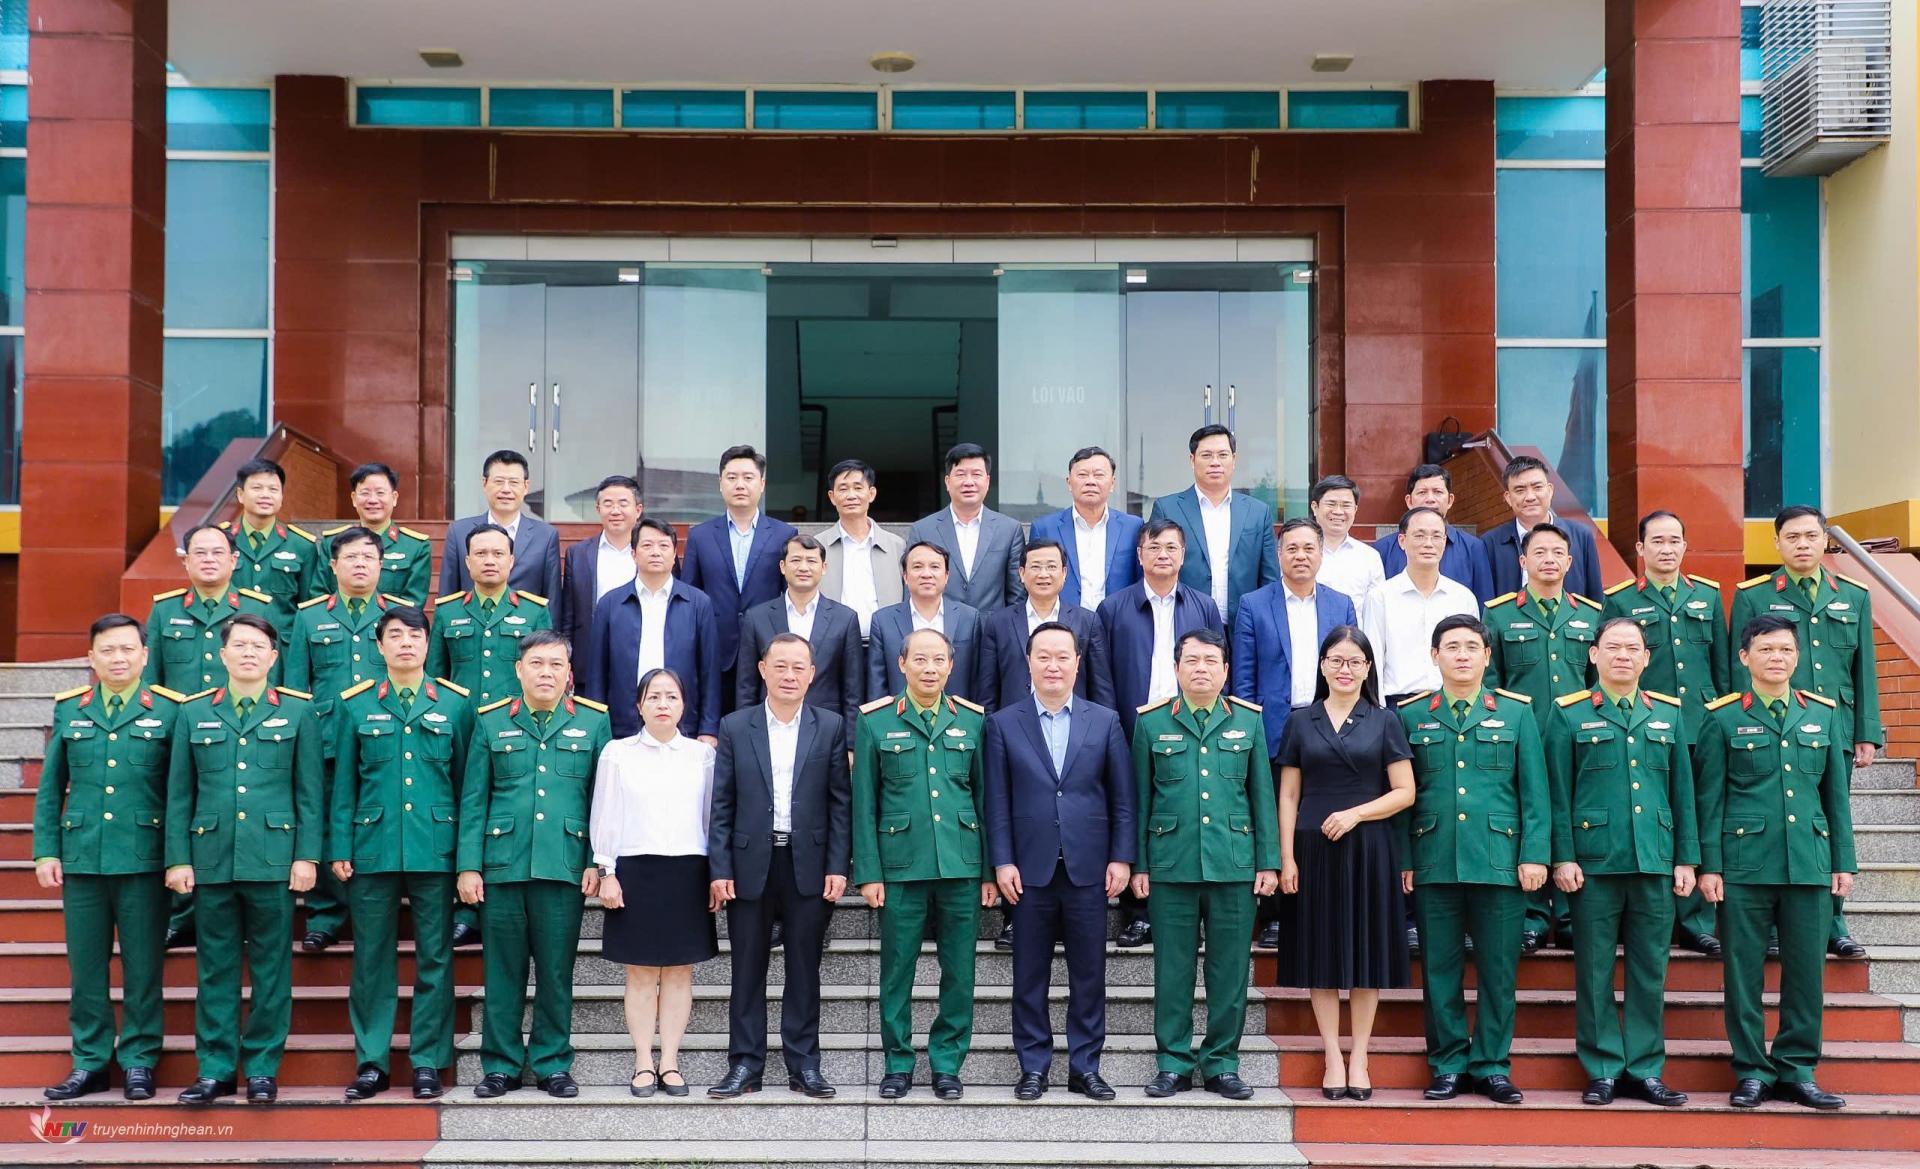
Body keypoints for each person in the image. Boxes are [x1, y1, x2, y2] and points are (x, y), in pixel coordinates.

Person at [1697, 615, 1857, 1111]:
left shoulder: (1822, 715)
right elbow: (1710, 799)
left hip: (1808, 863)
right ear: (1744, 658)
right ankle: (1751, 1070)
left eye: (1786, 650)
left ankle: (1797, 1069)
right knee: (1743, 973)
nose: (1777, 659)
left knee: (1807, 972)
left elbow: (1836, 796)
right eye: (1766, 650)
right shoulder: (1722, 717)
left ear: (1798, 656)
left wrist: (1842, 861)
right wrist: (1710, 867)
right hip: (1744, 867)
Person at [164, 614, 322, 1105]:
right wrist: (177, 859)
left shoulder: (298, 713)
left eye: (259, 646)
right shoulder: (193, 713)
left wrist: (307, 857)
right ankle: (214, 1069)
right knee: (215, 969)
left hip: (274, 860)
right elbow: (178, 794)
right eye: (240, 645)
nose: (250, 653)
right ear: (222, 653)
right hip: (211, 859)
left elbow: (310, 793)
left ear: (274, 657)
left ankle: (261, 1069)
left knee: (272, 969)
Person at [1397, 615, 1549, 1105]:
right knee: (1439, 968)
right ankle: (1446, 1064)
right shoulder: (1412, 715)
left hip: (1500, 861)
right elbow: (1403, 796)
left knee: (1498, 970)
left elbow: (1534, 793)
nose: (1462, 655)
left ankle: (1491, 1065)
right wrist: (1405, 858)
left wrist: (1534, 856)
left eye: (1471, 647)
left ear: (1488, 656)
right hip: (1434, 858)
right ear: (1434, 656)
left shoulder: (1516, 713)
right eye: (1451, 647)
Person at [1544, 618, 1696, 1108]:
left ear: (1647, 658)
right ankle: (1603, 1068)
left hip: (1654, 860)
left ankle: (1646, 1068)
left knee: (1651, 971)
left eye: (1633, 648)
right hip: (1593, 864)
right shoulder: (1567, 714)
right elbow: (1556, 795)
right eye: (1613, 647)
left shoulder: (1668, 715)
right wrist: (1562, 856)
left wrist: (1686, 859)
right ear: (1593, 655)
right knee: (1593, 971)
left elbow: (1683, 795)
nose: (1623, 656)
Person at [35, 614, 184, 1102]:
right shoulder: (70, 709)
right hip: (82, 858)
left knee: (143, 969)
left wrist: (179, 857)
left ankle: (140, 1060)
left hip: (144, 859)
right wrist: (45, 850)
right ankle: (90, 1062)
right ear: (91, 658)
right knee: (87, 969)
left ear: (145, 655)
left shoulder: (169, 711)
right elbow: (51, 786)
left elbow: (181, 792)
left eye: (127, 649)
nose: (118, 658)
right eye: (107, 650)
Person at [458, 631, 612, 1100]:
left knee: (555, 972)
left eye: (556, 665)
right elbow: (473, 799)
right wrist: (469, 866)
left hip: (563, 867)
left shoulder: (592, 722)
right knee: (501, 973)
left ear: (569, 674)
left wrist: (595, 862)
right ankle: (500, 1065)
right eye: (537, 664)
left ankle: (551, 1062)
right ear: (519, 669)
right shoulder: (489, 723)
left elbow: (600, 801)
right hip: (501, 867)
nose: (546, 672)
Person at [984, 621, 1134, 1101]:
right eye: (1043, 656)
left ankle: (1085, 1066)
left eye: (1062, 656)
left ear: (1077, 662)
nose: (1053, 665)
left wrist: (1122, 858)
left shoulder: (1104, 720)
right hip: (1028, 872)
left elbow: (1122, 799)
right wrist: (1002, 861)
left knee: (1089, 974)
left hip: (1089, 868)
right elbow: (997, 802)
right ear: (1028, 662)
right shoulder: (1003, 723)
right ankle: (1033, 1066)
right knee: (1029, 973)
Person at [330, 606, 474, 1102]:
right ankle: (372, 1063)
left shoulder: (456, 705)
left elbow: (466, 788)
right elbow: (344, 783)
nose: (406, 643)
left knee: (435, 958)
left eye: (415, 635)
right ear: (380, 645)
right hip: (371, 849)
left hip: (437, 849)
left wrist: (466, 856)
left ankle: (428, 1062)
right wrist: (340, 846)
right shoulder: (355, 705)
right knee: (372, 960)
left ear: (429, 644)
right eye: (396, 635)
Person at [1132, 628, 1278, 1100]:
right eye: (1191, 660)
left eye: (1210, 660)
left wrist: (1268, 862)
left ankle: (1221, 1063)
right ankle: (1173, 1062)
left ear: (1225, 670)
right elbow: (1140, 800)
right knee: (1172, 970)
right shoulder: (1152, 723)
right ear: (1176, 669)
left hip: (1233, 865)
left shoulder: (1248, 722)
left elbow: (1262, 798)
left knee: (1229, 971)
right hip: (1170, 864)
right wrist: (1138, 865)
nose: (1201, 668)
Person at [1728, 505, 1880, 959]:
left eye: (1811, 536)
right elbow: (1740, 674)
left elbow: (1863, 669)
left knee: (1827, 823)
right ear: (1776, 543)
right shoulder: (1753, 595)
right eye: (1791, 537)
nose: (1802, 544)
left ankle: (1834, 923)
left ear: (1824, 540)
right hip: (1766, 729)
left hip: (1829, 733)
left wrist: (1866, 731)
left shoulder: (1853, 595)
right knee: (1769, 818)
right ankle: (1773, 920)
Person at [850, 628, 994, 1100]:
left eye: (938, 660)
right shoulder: (874, 722)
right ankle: (898, 1063)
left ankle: (947, 1063)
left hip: (961, 866)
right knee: (897, 970)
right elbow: (864, 804)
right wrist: (868, 872)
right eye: (921, 660)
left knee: (959, 970)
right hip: (901, 867)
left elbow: (985, 797)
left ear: (951, 666)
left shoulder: (972, 721)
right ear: (902, 663)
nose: (929, 668)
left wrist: (989, 871)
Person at [1274, 625, 1415, 1101]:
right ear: (1322, 666)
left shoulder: (1384, 720)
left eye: (1355, 661)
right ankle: (1332, 1054)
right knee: (1322, 955)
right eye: (1336, 660)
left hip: (1368, 847)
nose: (1345, 669)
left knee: (1365, 954)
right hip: (1313, 850)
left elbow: (1405, 791)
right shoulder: (1300, 720)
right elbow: (1289, 793)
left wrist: (1356, 814)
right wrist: (1287, 856)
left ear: (1369, 668)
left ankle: (1360, 1056)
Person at [708, 635, 851, 1100]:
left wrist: (838, 864)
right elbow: (722, 804)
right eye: (781, 667)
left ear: (812, 674)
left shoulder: (829, 726)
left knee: (804, 969)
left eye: (799, 668)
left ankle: (804, 1065)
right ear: (763, 670)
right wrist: (720, 867)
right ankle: (745, 1065)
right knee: (746, 970)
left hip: (807, 863)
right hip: (750, 863)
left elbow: (839, 804)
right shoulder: (735, 725)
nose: (790, 676)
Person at [1601, 509, 1729, 955]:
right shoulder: (1618, 601)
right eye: (1657, 541)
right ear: (1639, 549)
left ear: (1685, 546)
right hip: (1644, 725)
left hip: (1701, 725)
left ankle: (1697, 920)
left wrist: (1723, 718)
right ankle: (1638, 914)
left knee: (1700, 815)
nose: (1667, 548)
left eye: (1675, 540)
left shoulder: (1708, 596)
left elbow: (1723, 667)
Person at [591, 667, 717, 1100]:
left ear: (684, 704)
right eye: (654, 697)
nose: (663, 704)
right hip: (635, 869)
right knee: (641, 973)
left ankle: (671, 1062)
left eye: (671, 697)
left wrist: (714, 874)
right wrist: (607, 870)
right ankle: (643, 1061)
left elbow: (709, 819)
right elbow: (605, 813)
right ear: (639, 705)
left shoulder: (701, 756)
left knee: (681, 972)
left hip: (688, 870)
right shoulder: (618, 752)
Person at [1098, 518, 1224, 947]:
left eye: (1171, 547)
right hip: (1134, 725)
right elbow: (1103, 677)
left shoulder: (1204, 606)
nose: (1163, 555)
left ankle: (1196, 908)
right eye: (1154, 548)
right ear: (1140, 555)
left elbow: (1218, 664)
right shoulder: (1113, 607)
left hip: (1191, 725)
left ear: (1183, 555)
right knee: (1136, 810)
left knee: (1187, 808)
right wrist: (1112, 725)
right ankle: (1138, 913)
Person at [1232, 518, 1357, 949]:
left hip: (1328, 725)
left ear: (1322, 554)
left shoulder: (1341, 604)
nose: (1300, 556)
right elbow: (1244, 680)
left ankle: (1327, 910)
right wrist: (1249, 732)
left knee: (1320, 818)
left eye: (1308, 548)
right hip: (1272, 727)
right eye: (1291, 549)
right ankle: (1275, 917)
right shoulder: (1253, 604)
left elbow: (1350, 666)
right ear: (1279, 554)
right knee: (1272, 821)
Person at [282, 526, 400, 951]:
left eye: (369, 557)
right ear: (333, 566)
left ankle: (373, 909)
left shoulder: (399, 616)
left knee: (378, 821)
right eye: (350, 557)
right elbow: (296, 685)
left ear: (382, 564)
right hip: (325, 737)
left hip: (385, 740)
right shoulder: (309, 616)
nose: (360, 564)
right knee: (326, 823)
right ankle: (325, 916)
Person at [1487, 523, 1602, 951]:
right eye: (1540, 552)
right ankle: (1534, 915)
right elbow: (1492, 679)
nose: (1549, 559)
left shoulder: (1591, 614)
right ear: (1523, 561)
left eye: (1558, 552)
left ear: (1570, 562)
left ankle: (1570, 914)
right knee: (1528, 818)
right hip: (1524, 735)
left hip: (1579, 737)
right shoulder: (1499, 614)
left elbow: (1598, 679)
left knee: (1575, 815)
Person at [679, 445, 799, 711]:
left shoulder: (784, 534)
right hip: (715, 648)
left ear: (762, 484)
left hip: (767, 648)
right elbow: (689, 595)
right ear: (721, 484)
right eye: (731, 478)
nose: (740, 484)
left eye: (748, 477)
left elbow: (789, 595)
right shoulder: (700, 535)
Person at [581, 517, 722, 742]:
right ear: (633, 554)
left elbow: (709, 671)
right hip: (623, 724)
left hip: (683, 725)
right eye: (647, 545)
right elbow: (597, 672)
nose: (655, 552)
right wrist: (595, 726)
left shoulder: (698, 603)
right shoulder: (610, 603)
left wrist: (708, 728)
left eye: (664, 545)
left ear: (675, 553)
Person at [1148, 424, 1279, 628]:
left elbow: (1269, 578)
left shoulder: (1258, 512)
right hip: (1184, 624)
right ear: (1192, 460)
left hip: (1244, 627)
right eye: (1207, 455)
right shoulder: (1167, 508)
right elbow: (1154, 569)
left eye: (1223, 455)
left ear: (1234, 460)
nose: (1215, 462)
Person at [735, 534, 866, 728]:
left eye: (811, 561)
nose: (803, 567)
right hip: (769, 725)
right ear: (782, 566)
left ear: (824, 568)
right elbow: (746, 686)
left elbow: (853, 689)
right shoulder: (756, 618)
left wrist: (850, 744)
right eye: (795, 560)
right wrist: (745, 732)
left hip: (827, 729)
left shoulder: (845, 619)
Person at [977, 539, 1115, 714]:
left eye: (1051, 567)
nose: (1043, 574)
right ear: (1021, 573)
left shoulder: (1088, 621)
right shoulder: (998, 623)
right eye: (1035, 567)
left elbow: (1102, 690)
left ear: (1064, 573)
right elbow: (987, 693)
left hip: (1074, 730)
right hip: (1013, 730)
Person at [428, 523, 554, 710]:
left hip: (513, 720)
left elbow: (544, 671)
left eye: (498, 554)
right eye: (480, 554)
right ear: (468, 562)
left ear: (511, 561)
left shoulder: (534, 611)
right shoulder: (448, 611)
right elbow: (435, 675)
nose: (489, 561)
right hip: (461, 716)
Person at [1360, 508, 1480, 706]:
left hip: (1451, 706)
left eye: (1436, 536)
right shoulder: (1380, 597)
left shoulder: (1463, 598)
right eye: (1420, 535)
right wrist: (1377, 711)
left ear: (1444, 542)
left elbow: (1472, 658)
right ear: (1402, 541)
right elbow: (1373, 660)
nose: (1428, 544)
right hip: (1396, 706)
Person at [144, 523, 278, 698]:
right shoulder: (165, 610)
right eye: (200, 553)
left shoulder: (258, 609)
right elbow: (150, 675)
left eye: (217, 553)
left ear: (233, 560)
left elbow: (274, 675)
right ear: (185, 560)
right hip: (178, 718)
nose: (209, 559)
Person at [907, 442, 1027, 612]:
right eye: (961, 474)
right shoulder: (923, 530)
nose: (968, 482)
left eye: (976, 474)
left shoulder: (1009, 529)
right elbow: (912, 590)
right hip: (941, 633)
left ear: (987, 481)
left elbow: (1017, 594)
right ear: (947, 482)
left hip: (992, 633)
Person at [1027, 446, 1143, 611]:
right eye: (1082, 475)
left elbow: (1141, 581)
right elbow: (1033, 583)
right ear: (1069, 482)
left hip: (1118, 624)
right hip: (1063, 627)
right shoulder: (1044, 528)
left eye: (1098, 475)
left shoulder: (1133, 527)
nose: (1090, 481)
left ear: (1112, 483)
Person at [867, 541, 982, 704]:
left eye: (935, 567)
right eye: (918, 567)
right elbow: (876, 684)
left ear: (947, 575)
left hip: (957, 719)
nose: (926, 574)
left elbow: (978, 678)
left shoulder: (969, 618)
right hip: (899, 721)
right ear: (905, 576)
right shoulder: (883, 620)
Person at [221, 458, 322, 639]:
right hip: (232, 644)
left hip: (282, 648)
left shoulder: (301, 545)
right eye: (257, 488)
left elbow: (309, 608)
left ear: (282, 497)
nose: (265, 495)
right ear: (240, 494)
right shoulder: (220, 540)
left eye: (273, 489)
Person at [441, 450, 562, 602]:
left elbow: (553, 598)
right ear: (484, 483)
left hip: (528, 625)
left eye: (513, 482)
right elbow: (447, 596)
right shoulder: (459, 532)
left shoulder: (545, 536)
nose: (506, 489)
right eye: (499, 481)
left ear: (526, 486)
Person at [1480, 456, 1605, 600]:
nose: (1530, 497)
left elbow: (1595, 598)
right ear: (1508, 498)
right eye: (1520, 490)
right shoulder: (1490, 543)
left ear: (1550, 490)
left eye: (1537, 487)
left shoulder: (1580, 536)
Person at [313, 463, 435, 606]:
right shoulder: (332, 542)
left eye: (380, 493)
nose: (372, 500)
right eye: (365, 493)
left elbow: (412, 604)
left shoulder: (416, 546)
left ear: (394, 498)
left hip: (390, 626)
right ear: (353, 498)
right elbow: (318, 595)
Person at [1373, 464, 1496, 604]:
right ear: (1409, 501)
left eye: (1437, 492)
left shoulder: (1474, 547)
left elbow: (1484, 604)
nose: (1430, 499)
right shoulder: (1383, 549)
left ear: (1450, 500)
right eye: (1422, 492)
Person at [816, 459, 906, 642]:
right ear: (832, 497)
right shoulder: (817, 546)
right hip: (834, 644)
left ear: (871, 493)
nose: (851, 495)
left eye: (858, 487)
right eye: (843, 489)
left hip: (886, 643)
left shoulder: (897, 546)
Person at [558, 474, 642, 664]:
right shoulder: (578, 554)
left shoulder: (653, 552)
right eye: (608, 504)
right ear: (598, 509)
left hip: (639, 654)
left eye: (623, 503)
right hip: (589, 657)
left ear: (638, 510)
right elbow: (568, 617)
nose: (615, 511)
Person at [1308, 476, 1385, 611]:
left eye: (1346, 505)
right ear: (1315, 508)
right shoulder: (1299, 554)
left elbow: (1376, 610)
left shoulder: (1370, 557)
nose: (1338, 511)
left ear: (1355, 510)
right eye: (1331, 504)